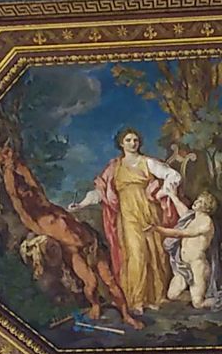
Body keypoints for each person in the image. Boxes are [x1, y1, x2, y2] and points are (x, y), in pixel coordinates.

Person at [69, 128, 186, 314]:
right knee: (136, 253)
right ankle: (137, 300)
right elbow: (100, 191)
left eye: (135, 140)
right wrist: (81, 204)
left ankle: (155, 297)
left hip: (149, 212)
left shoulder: (147, 162)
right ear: (121, 143)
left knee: (154, 253)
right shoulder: (115, 167)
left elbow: (173, 176)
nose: (133, 143)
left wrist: (162, 192)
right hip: (128, 215)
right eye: (129, 140)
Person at [148, 192, 222, 313]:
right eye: (197, 199)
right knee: (172, 295)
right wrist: (173, 195)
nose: (196, 202)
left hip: (197, 266)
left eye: (201, 201)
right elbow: (182, 211)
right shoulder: (192, 218)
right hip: (183, 266)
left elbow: (180, 233)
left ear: (207, 207)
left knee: (198, 304)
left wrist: (157, 229)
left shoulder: (206, 223)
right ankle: (194, 295)